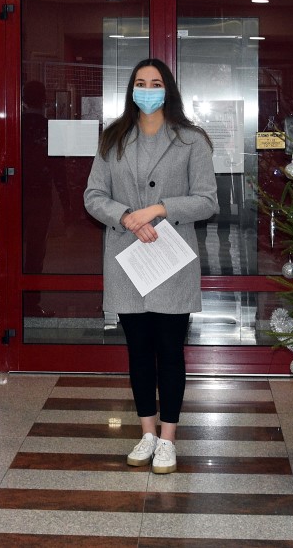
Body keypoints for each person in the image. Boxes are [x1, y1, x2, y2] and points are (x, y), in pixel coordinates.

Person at [83, 58, 216, 475]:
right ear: (131, 90)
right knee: (138, 351)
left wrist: (159, 209)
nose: (147, 90)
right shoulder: (113, 138)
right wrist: (126, 216)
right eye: (140, 83)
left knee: (170, 351)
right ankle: (146, 433)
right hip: (128, 259)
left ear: (167, 89)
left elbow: (207, 200)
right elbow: (93, 195)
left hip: (171, 258)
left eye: (155, 83)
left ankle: (168, 439)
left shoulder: (192, 140)